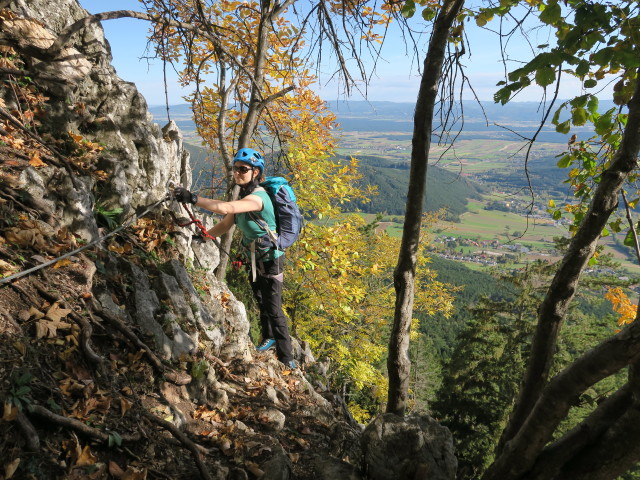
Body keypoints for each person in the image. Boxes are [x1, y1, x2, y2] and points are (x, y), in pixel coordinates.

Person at [173, 148, 296, 369]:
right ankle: (268, 339)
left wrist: (193, 199)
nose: (237, 173)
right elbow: (226, 223)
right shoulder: (244, 195)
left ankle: (287, 358)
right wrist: (206, 235)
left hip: (271, 258)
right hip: (254, 257)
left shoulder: (258, 198)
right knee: (260, 299)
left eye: (243, 169)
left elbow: (226, 208)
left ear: (256, 172)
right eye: (235, 169)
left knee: (274, 307)